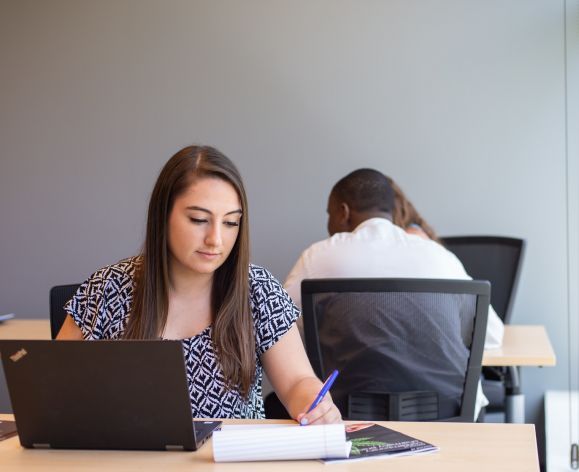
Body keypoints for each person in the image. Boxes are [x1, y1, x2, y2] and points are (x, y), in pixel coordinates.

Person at [57, 145, 341, 425]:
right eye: (199, 220)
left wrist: (314, 403)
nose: (216, 239)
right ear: (163, 215)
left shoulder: (257, 289)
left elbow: (296, 382)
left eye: (231, 223)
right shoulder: (108, 287)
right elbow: (54, 388)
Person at [283, 168, 504, 420]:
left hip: (342, 418)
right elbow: (491, 336)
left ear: (343, 212)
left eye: (329, 214)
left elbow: (279, 332)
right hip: (442, 416)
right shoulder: (438, 257)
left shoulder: (319, 257)